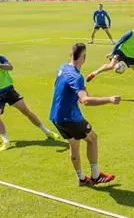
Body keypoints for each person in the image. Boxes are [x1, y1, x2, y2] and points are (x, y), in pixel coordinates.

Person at [0, 40, 63, 151]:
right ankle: (6, 141)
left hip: (8, 90)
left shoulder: (0, 58)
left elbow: (10, 67)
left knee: (26, 111)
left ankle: (47, 132)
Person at [50, 43, 120, 186]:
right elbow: (85, 101)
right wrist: (109, 99)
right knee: (92, 138)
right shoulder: (77, 77)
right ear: (83, 57)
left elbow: (60, 86)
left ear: (71, 55)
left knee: (74, 144)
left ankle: (81, 178)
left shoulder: (63, 68)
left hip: (56, 117)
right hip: (70, 118)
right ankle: (96, 176)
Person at [87, 23, 134, 99]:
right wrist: (113, 53)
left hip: (131, 57)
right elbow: (119, 42)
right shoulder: (131, 33)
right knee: (111, 66)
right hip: (121, 52)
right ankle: (94, 73)